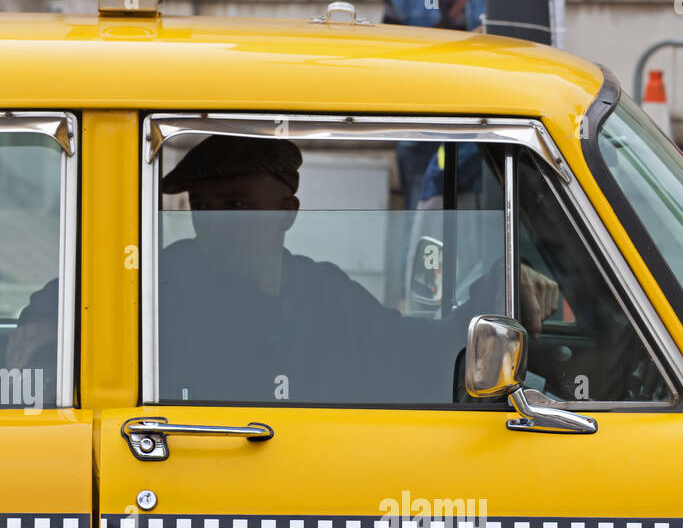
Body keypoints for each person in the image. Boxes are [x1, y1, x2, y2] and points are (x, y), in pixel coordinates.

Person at [12, 136, 557, 405]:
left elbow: (417, 352)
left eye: (237, 206)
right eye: (202, 207)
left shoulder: (323, 292)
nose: (214, 222)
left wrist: (496, 292)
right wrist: (42, 323)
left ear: (287, 215)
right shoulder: (163, 282)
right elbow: (73, 299)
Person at [381, 0, 486, 211]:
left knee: (473, 214)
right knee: (419, 209)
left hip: (476, 118)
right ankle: (416, 261)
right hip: (419, 118)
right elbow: (387, 56)